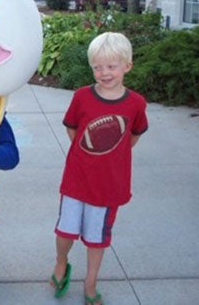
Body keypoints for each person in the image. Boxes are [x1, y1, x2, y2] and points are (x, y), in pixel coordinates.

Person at [50, 32, 148, 305]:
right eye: (97, 67)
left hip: (108, 185)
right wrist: (90, 154)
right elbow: (72, 128)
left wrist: (111, 155)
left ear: (127, 66)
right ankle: (61, 261)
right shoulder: (82, 97)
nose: (104, 73)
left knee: (97, 239)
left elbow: (134, 135)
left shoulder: (136, 104)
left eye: (111, 66)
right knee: (65, 232)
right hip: (77, 179)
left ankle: (90, 282)